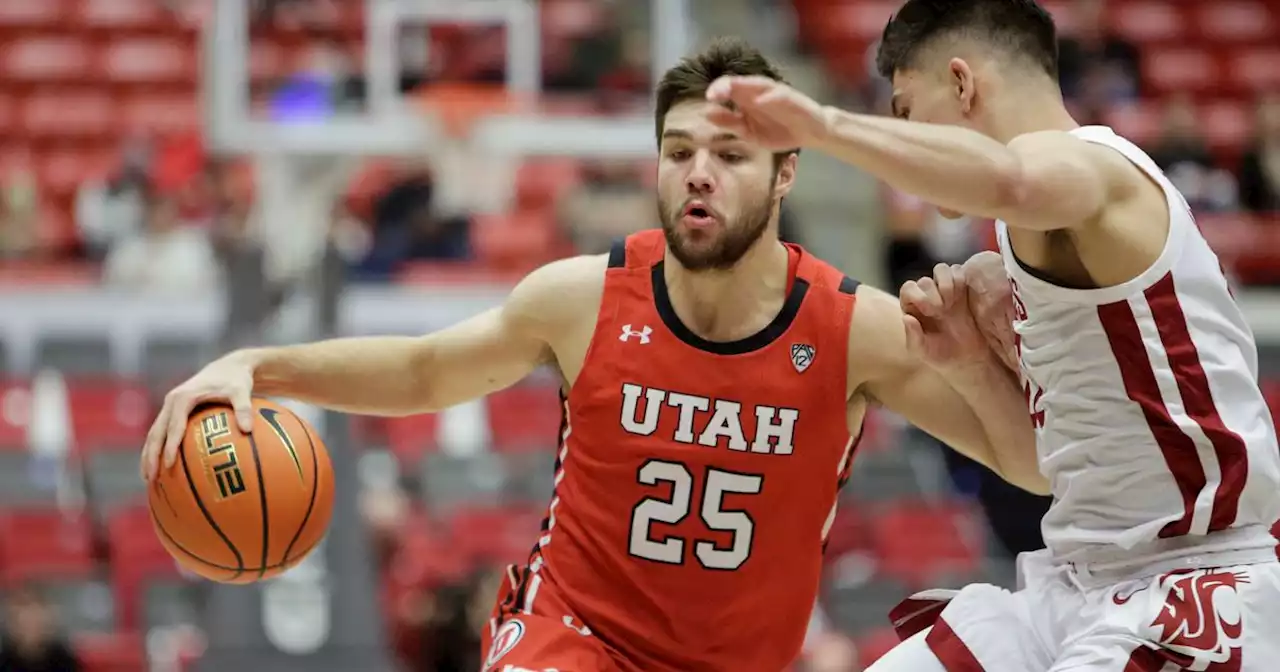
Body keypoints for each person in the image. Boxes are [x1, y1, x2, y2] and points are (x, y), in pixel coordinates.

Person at [140, 39, 1043, 672]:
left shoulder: (855, 329)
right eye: (678, 149)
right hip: (568, 639)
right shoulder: (583, 297)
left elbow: (1030, 467)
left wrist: (969, 363)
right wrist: (261, 364)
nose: (699, 171)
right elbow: (423, 372)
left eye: (732, 153)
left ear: (785, 173)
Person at [703, 0, 1280, 669]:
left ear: (962, 83)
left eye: (907, 110)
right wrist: (972, 363)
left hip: (1192, 587)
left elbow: (1011, 177)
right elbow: (1042, 471)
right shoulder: (1028, 235)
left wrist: (824, 126)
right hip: (1076, 584)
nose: (905, 137)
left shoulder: (1088, 166)